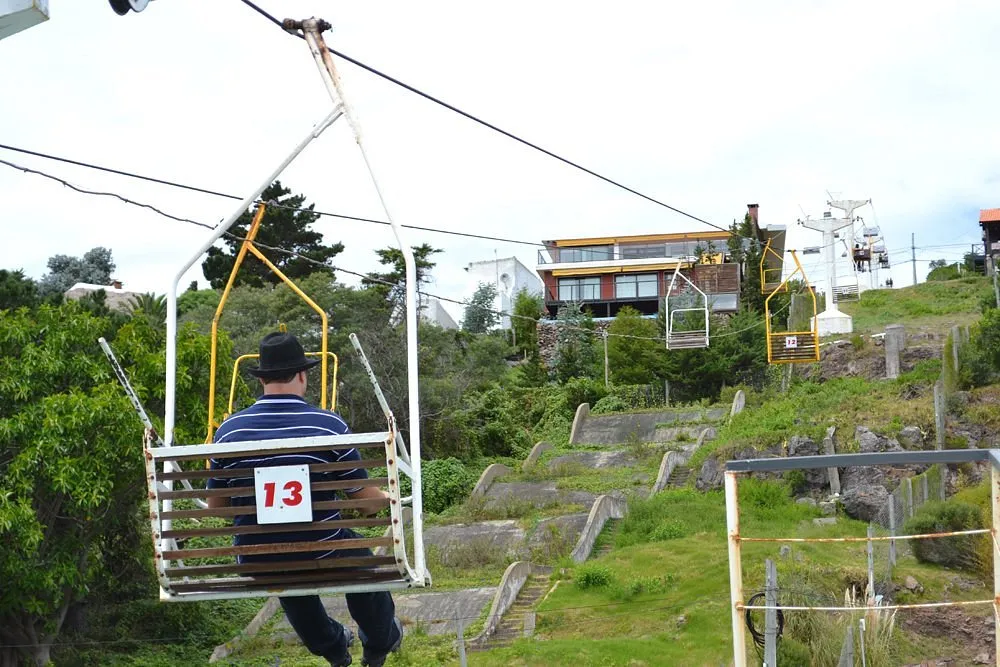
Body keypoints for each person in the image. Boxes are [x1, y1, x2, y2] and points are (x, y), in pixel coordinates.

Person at [207, 331, 403, 667]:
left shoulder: (229, 431)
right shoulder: (327, 426)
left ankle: (333, 648)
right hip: (323, 548)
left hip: (255, 559)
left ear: (263, 379)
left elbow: (217, 507)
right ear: (302, 375)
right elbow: (365, 502)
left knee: (284, 571)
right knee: (360, 562)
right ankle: (380, 641)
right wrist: (386, 497)